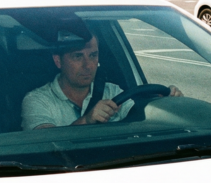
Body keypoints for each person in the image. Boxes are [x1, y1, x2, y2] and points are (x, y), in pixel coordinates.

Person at [22, 28, 182, 130]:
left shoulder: (112, 91)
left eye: (93, 55)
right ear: (58, 61)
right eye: (77, 57)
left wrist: (163, 103)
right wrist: (87, 120)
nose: (88, 65)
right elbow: (45, 141)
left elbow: (141, 116)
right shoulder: (37, 100)